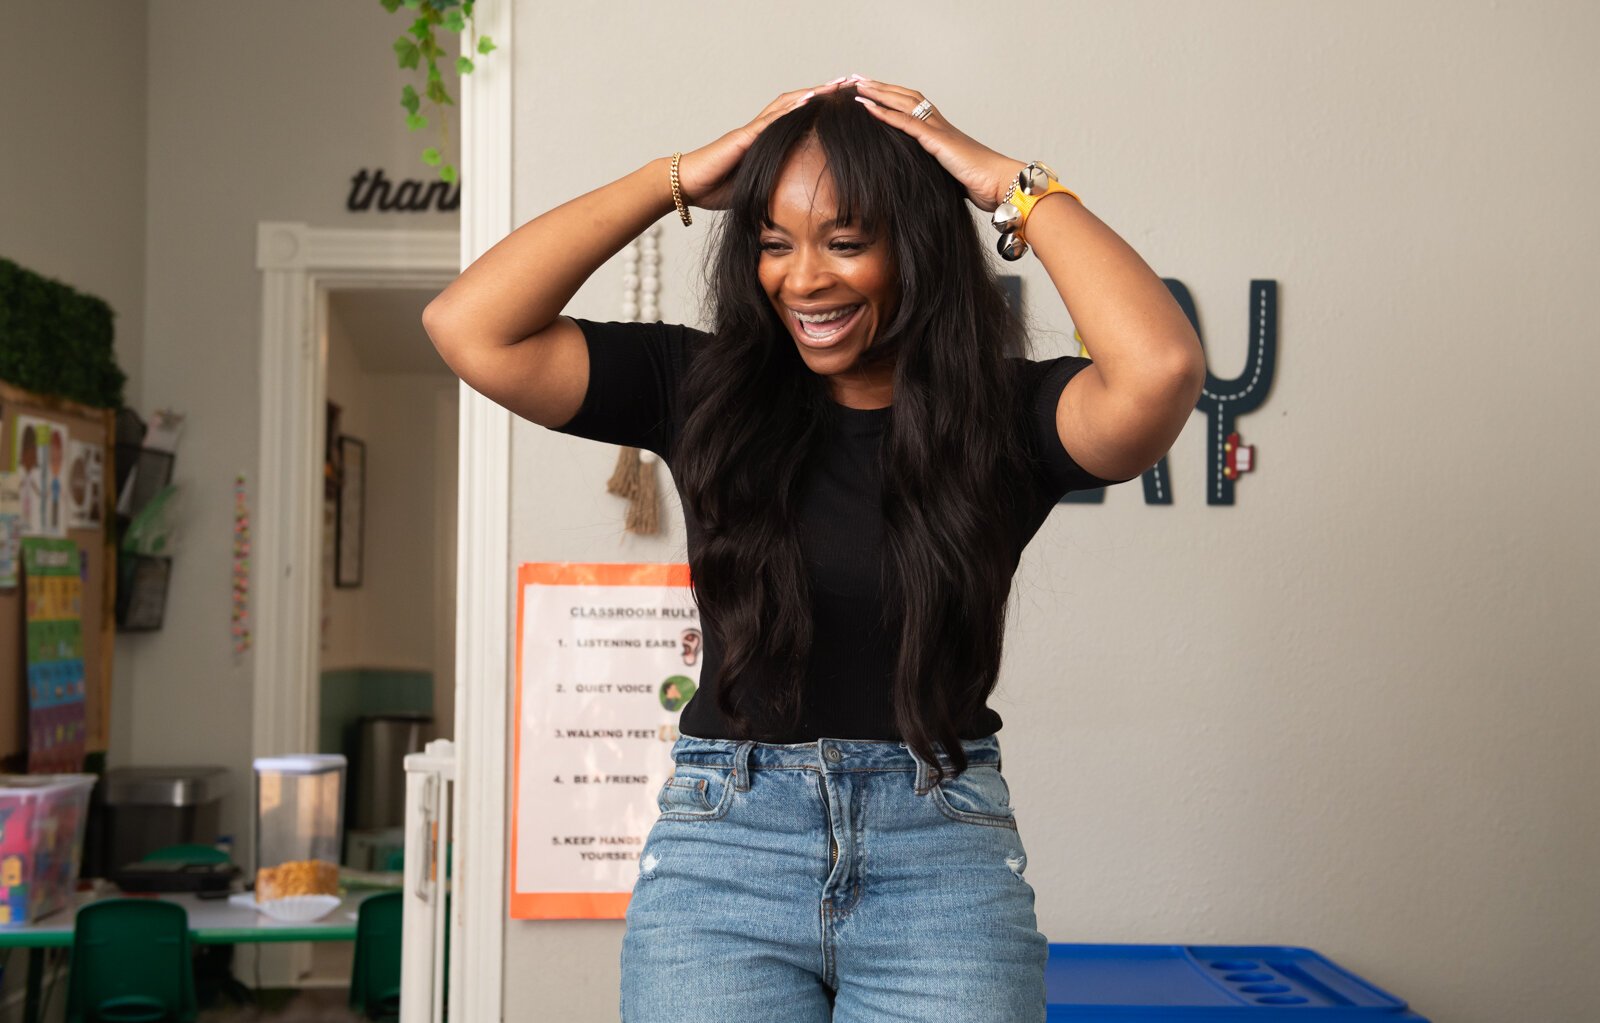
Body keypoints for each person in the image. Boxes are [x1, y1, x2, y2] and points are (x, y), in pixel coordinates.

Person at [425, 75, 1204, 1022]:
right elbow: (469, 326)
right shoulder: (704, 388)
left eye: (846, 240)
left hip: (941, 860)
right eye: (773, 242)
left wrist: (1006, 182)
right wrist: (678, 175)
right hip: (725, 857)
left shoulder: (1002, 418)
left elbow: (1160, 366)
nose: (804, 278)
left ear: (912, 246)